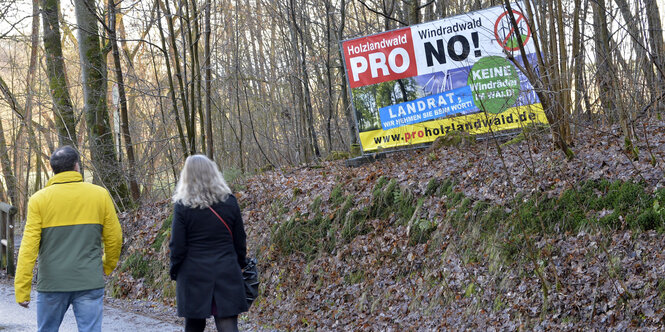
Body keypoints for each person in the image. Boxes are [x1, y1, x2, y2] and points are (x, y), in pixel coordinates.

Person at [14, 145, 123, 332]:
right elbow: (114, 238)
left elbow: (28, 247)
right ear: (77, 167)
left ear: (53, 170)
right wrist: (106, 265)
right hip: (89, 280)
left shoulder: (39, 200)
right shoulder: (99, 195)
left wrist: (22, 288)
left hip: (52, 284)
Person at [170, 154, 248, 332]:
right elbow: (240, 240)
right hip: (226, 270)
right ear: (214, 173)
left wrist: (175, 269)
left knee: (194, 325)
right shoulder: (230, 202)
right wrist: (240, 263)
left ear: (187, 176)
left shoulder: (182, 206)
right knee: (227, 324)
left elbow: (177, 246)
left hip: (193, 275)